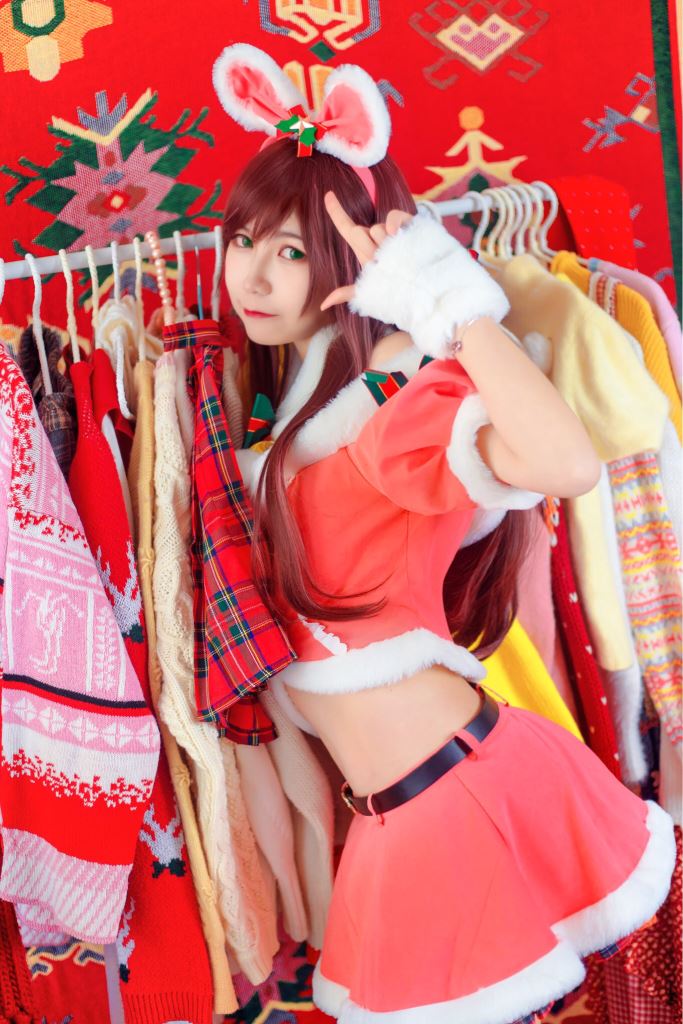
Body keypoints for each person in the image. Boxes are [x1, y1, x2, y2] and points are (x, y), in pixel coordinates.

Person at [213, 43, 676, 1024]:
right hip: (398, 814)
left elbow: (566, 465)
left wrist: (448, 304)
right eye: (242, 238)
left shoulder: (389, 408)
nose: (251, 273)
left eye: (289, 250)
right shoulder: (278, 417)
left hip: (460, 794)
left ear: (354, 261)